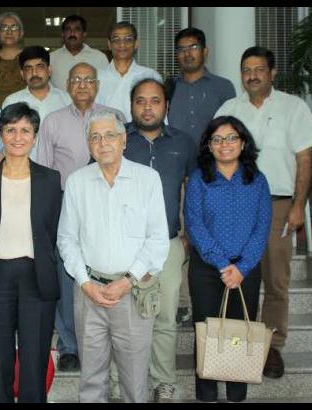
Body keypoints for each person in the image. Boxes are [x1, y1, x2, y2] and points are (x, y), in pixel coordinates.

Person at [215, 46, 312, 379]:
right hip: (235, 207)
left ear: (272, 73)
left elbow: (305, 160)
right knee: (234, 277)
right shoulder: (229, 108)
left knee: (276, 279)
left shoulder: (294, 108)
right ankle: (235, 346)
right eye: (246, 69)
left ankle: (272, 347)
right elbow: (214, 153)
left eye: (259, 69)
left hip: (277, 205)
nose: (252, 75)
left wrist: (297, 206)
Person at [58, 110, 169, 402]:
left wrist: (128, 280)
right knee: (91, 379)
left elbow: (158, 240)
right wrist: (84, 282)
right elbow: (66, 240)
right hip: (88, 293)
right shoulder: (77, 182)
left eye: (109, 135)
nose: (102, 142)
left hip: (131, 293)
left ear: (123, 141)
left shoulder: (147, 179)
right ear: (89, 145)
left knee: (134, 381)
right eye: (95, 137)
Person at [0, 102, 62, 403]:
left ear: (34, 136)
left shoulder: (50, 180)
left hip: (36, 278)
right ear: (1, 135)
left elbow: (53, 231)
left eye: (25, 130)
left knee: (34, 363)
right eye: (11, 130)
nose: (18, 137)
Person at [36, 62, 125, 372]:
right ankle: (70, 345)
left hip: (108, 201)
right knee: (67, 275)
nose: (83, 84)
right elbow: (44, 173)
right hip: (64, 203)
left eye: (89, 79)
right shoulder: (53, 121)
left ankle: (106, 342)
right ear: (68, 84)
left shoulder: (115, 118)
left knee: (105, 268)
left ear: (97, 84)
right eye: (76, 79)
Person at [185, 115, 272, 402]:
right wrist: (223, 264)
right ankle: (206, 396)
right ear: (209, 146)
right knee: (207, 332)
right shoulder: (199, 179)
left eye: (232, 138)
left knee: (239, 333)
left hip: (245, 270)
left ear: (243, 142)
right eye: (217, 139)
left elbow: (262, 228)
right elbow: (195, 225)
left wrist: (242, 267)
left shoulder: (257, 181)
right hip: (208, 269)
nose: (225, 144)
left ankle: (237, 395)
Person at [124, 78, 197, 402]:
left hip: (166, 245)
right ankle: (122, 382)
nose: (148, 107)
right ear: (132, 106)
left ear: (166, 105)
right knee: (124, 320)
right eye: (141, 101)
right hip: (123, 245)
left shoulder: (183, 142)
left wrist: (189, 235)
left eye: (155, 100)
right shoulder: (118, 138)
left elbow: (195, 190)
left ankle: (163, 382)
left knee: (165, 317)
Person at [167, 27, 235, 328]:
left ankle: (218, 300)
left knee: (215, 238)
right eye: (181, 48)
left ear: (205, 51)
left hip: (216, 180)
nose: (187, 53)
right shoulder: (168, 87)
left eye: (193, 47)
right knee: (184, 241)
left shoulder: (224, 87)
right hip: (181, 178)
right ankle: (184, 304)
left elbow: (233, 133)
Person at [3, 46, 71, 160]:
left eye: (40, 67)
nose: (34, 73)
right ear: (22, 74)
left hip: (59, 168)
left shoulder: (66, 100)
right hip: (24, 168)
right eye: (28, 69)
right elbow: (6, 138)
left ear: (49, 70)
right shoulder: (12, 101)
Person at [96, 21, 162, 123]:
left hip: (141, 136)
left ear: (136, 44)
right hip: (106, 137)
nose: (122, 44)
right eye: (116, 39)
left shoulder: (150, 75)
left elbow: (159, 113)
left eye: (128, 39)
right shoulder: (96, 77)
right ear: (109, 45)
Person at [49, 14, 109, 91]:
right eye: (68, 29)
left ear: (84, 34)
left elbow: (106, 88)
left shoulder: (99, 58)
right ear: (63, 34)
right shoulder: (51, 58)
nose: (72, 33)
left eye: (77, 29)